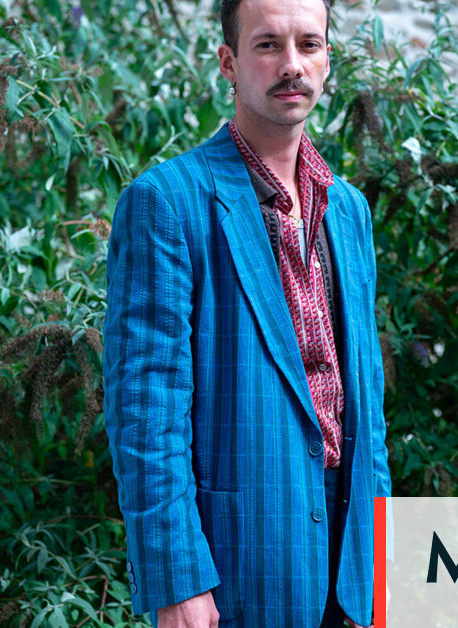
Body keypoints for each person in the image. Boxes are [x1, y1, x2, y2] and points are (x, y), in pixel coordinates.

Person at [101, 0, 390, 625]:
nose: (291, 65)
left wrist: (381, 569)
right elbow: (147, 416)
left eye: (308, 45)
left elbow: (367, 411)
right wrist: (177, 579)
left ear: (328, 59)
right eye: (267, 45)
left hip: (353, 571)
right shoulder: (167, 203)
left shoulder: (349, 211)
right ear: (229, 62)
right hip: (238, 566)